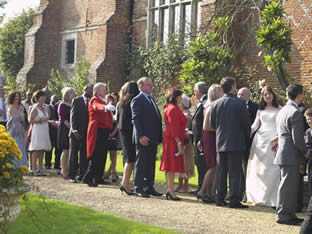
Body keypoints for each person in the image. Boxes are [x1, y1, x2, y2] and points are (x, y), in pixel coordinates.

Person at [210, 77, 251, 208]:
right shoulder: (240, 103)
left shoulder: (215, 104)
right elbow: (246, 124)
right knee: (235, 172)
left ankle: (219, 198)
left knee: (221, 171)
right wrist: (246, 138)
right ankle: (234, 199)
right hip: (236, 141)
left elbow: (212, 124)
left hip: (220, 141)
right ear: (233, 87)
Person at [274, 84, 307, 225]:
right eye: (302, 94)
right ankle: (284, 215)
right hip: (291, 155)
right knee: (288, 186)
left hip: (284, 153)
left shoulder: (283, 110)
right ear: (299, 95)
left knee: (288, 186)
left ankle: (289, 213)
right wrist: (306, 152)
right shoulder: (295, 112)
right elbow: (297, 139)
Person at [245, 86, 280, 207]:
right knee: (258, 168)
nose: (268, 96)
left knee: (272, 168)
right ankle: (257, 195)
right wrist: (248, 132)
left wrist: (277, 138)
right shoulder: (260, 110)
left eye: (269, 93)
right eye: (265, 95)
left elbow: (281, 127)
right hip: (259, 140)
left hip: (273, 140)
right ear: (263, 97)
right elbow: (255, 125)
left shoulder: (280, 109)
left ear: (273, 95)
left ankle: (271, 197)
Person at [131, 77, 163, 198]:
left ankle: (149, 186)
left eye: (151, 85)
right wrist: (140, 136)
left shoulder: (151, 99)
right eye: (149, 85)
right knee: (141, 163)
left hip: (153, 137)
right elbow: (136, 119)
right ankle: (138, 187)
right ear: (141, 86)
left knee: (151, 163)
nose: (151, 87)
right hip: (143, 137)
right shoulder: (137, 100)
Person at [82, 83, 115, 187]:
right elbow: (97, 107)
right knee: (96, 154)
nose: (105, 90)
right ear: (97, 91)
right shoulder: (94, 99)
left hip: (104, 130)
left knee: (102, 155)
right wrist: (106, 107)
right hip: (97, 130)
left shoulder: (104, 101)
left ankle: (98, 177)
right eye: (103, 89)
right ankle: (88, 177)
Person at [197, 84, 224, 203]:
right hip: (211, 137)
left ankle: (210, 193)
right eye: (221, 92)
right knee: (213, 166)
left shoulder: (209, 105)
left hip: (208, 137)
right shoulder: (211, 106)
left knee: (213, 166)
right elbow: (206, 126)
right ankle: (202, 191)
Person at [160, 89, 187, 201]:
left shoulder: (171, 108)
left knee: (170, 165)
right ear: (176, 97)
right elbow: (173, 127)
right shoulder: (173, 109)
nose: (182, 99)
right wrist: (179, 142)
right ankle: (171, 191)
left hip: (172, 139)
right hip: (173, 140)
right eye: (181, 96)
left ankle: (169, 189)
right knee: (171, 165)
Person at [68, 85, 93, 183]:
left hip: (86, 132)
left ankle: (82, 175)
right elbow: (73, 116)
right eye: (91, 90)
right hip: (76, 132)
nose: (92, 92)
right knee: (73, 155)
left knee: (84, 155)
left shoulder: (91, 101)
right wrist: (74, 130)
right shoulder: (77, 100)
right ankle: (71, 175)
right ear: (85, 90)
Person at [237, 87, 259, 201]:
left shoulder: (255, 107)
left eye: (241, 94)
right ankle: (239, 192)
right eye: (238, 94)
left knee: (247, 167)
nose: (239, 97)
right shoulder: (235, 106)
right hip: (237, 142)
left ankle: (248, 192)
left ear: (248, 96)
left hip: (250, 142)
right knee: (239, 168)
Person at [118, 81, 139, 195]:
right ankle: (125, 183)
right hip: (129, 132)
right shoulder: (132, 102)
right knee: (130, 159)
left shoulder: (122, 102)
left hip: (124, 131)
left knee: (130, 159)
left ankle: (126, 183)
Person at [190, 81, 208, 195]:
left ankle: (203, 188)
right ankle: (200, 186)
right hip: (196, 138)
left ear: (199, 91)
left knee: (202, 163)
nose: (194, 92)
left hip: (201, 139)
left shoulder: (205, 102)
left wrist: (201, 138)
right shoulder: (200, 102)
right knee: (199, 162)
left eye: (195, 90)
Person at [175, 94, 195, 193]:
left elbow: (185, 130)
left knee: (185, 163)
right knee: (181, 162)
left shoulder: (186, 115)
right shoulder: (181, 113)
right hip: (181, 140)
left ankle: (185, 185)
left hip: (185, 142)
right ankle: (180, 183)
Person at [28, 90, 51, 176]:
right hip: (38, 129)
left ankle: (40, 168)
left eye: (44, 96)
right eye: (42, 96)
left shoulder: (45, 107)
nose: (43, 98)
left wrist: (47, 114)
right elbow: (30, 120)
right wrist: (39, 121)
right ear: (37, 98)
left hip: (44, 129)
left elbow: (48, 117)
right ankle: (33, 169)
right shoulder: (35, 108)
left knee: (42, 149)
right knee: (36, 149)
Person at [6, 91, 28, 168]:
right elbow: (13, 119)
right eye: (15, 96)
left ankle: (22, 165)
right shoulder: (11, 107)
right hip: (13, 129)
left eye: (18, 96)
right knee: (15, 145)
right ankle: (14, 165)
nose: (17, 98)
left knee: (21, 145)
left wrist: (23, 118)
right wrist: (19, 112)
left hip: (20, 128)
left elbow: (22, 119)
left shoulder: (20, 106)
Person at [58, 87, 75, 179]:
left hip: (71, 128)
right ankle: (63, 170)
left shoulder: (72, 104)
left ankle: (67, 168)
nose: (73, 95)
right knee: (65, 150)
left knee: (70, 150)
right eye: (71, 93)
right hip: (65, 128)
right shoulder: (62, 105)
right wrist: (71, 127)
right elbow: (63, 118)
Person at [104, 92, 122, 183]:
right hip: (105, 131)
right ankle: (108, 172)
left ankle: (113, 172)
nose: (113, 101)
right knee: (106, 154)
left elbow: (118, 122)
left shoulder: (116, 108)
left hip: (114, 131)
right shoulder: (106, 107)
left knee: (113, 153)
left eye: (115, 99)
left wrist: (113, 133)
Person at [300, 108, 312, 233]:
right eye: (307, 119)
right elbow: (306, 147)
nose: (308, 121)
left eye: (310, 119)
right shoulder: (308, 132)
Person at [45, 95, 61, 169]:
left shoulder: (59, 106)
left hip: (58, 129)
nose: (55, 100)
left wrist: (57, 122)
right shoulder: (47, 107)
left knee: (58, 148)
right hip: (49, 129)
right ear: (50, 99)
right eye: (53, 99)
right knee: (49, 148)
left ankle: (57, 164)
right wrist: (51, 122)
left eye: (56, 99)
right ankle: (47, 163)